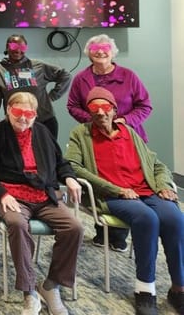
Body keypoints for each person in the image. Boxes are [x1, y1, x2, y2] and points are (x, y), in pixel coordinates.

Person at [65, 87, 183, 315]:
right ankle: (145, 289)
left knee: (175, 218)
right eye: (94, 108)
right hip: (112, 195)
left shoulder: (129, 131)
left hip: (147, 190)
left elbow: (156, 163)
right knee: (146, 218)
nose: (101, 112)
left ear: (114, 109)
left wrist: (163, 186)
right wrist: (117, 189)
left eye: (106, 107)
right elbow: (74, 167)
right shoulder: (81, 133)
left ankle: (179, 288)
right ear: (88, 111)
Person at [0, 91, 83, 315]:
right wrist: (2, 194)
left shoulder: (43, 132)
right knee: (17, 224)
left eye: (29, 113)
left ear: (35, 115)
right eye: (18, 111)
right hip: (12, 195)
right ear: (8, 110)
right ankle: (29, 292)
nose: (23, 117)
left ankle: (50, 285)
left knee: (74, 228)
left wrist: (70, 178)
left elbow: (60, 163)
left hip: (44, 195)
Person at [67, 34, 153, 251]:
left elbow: (145, 106)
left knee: (127, 180)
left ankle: (120, 234)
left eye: (105, 47)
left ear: (112, 51)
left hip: (126, 138)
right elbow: (73, 106)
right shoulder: (80, 78)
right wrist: (95, 120)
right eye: (95, 47)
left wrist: (124, 121)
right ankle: (102, 231)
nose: (100, 51)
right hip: (94, 139)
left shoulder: (129, 76)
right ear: (89, 52)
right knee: (99, 177)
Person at [0, 34, 72, 138]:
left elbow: (65, 76)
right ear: (7, 47)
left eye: (22, 47)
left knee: (47, 154)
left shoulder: (38, 66)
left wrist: (52, 96)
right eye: (14, 46)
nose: (18, 50)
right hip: (16, 124)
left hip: (44, 122)